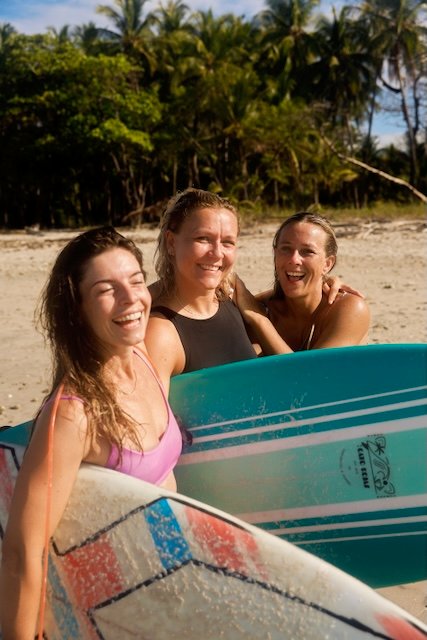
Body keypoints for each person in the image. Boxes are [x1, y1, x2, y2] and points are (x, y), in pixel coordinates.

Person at [0, 227, 183, 639]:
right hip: (117, 608)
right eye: (106, 290)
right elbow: (22, 549)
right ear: (77, 309)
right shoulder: (75, 413)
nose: (130, 298)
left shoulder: (141, 354)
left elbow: (190, 292)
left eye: (136, 280)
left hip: (172, 586)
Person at [144, 188, 259, 392]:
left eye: (227, 242)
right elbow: (152, 411)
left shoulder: (232, 299)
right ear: (171, 243)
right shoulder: (161, 332)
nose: (217, 253)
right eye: (203, 239)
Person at [234, 211, 370, 353]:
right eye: (286, 249)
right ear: (275, 255)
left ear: (328, 264)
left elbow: (314, 368)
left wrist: (260, 321)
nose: (294, 259)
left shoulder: (349, 309)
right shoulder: (262, 308)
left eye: (308, 251)